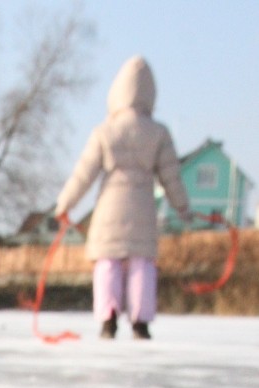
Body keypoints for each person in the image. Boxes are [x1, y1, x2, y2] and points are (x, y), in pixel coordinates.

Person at [55, 56, 190, 341]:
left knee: (107, 263)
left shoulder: (105, 131)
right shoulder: (158, 133)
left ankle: (108, 318)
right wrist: (183, 207)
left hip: (109, 209)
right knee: (142, 264)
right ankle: (140, 322)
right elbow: (171, 176)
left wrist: (65, 203)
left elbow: (83, 174)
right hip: (142, 207)